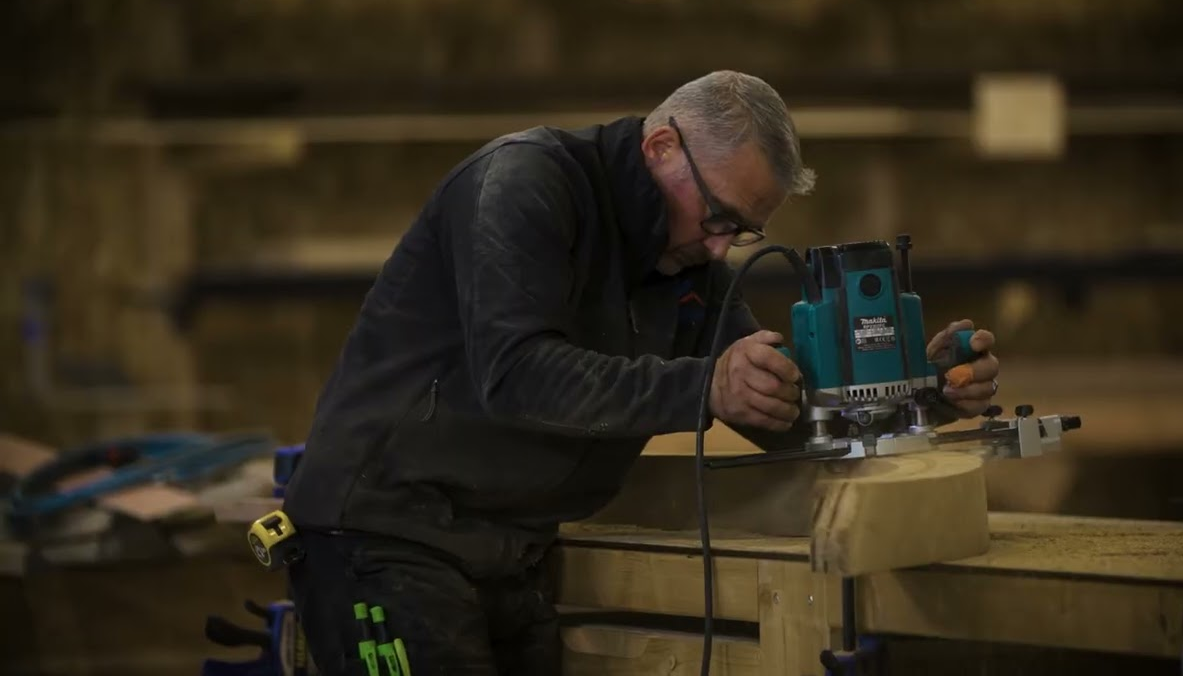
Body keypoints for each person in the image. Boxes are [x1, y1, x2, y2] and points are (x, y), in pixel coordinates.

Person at [281, 70, 1000, 675]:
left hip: (511, 553)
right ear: (661, 146)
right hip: (385, 538)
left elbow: (778, 411)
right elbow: (520, 375)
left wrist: (921, 396)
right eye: (718, 216)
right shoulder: (524, 184)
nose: (723, 249)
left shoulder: (688, 261)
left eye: (743, 231)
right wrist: (706, 385)